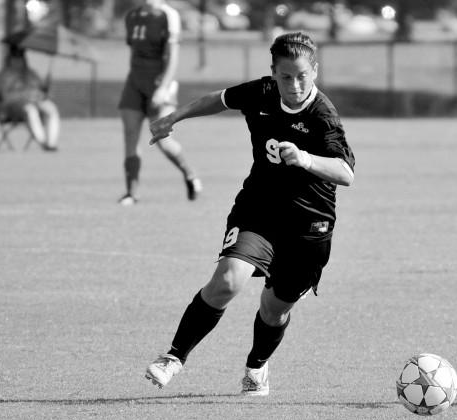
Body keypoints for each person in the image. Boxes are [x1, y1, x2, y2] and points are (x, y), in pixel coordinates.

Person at [143, 31, 355, 396]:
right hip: (259, 210)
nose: (294, 84)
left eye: (302, 75)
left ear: (315, 71)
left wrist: (304, 159)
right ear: (273, 73)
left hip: (309, 226)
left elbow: (345, 173)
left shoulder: (323, 116)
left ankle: (256, 367)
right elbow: (221, 99)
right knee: (227, 281)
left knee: (274, 310)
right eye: (285, 76)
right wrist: (174, 118)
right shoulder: (263, 93)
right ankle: (173, 357)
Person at [117, 0, 201, 206]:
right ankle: (131, 193)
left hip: (159, 82)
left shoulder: (168, 15)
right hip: (135, 83)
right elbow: (135, 53)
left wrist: (163, 87)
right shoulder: (132, 16)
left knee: (162, 139)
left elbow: (172, 56)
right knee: (130, 135)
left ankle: (189, 175)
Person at [0, 44, 60, 151]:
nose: (18, 61)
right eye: (15, 58)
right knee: (30, 109)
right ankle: (43, 142)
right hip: (14, 109)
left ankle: (51, 143)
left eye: (20, 58)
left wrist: (44, 91)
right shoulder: (1, 77)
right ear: (9, 59)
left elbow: (42, 92)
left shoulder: (32, 74)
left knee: (51, 108)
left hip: (36, 102)